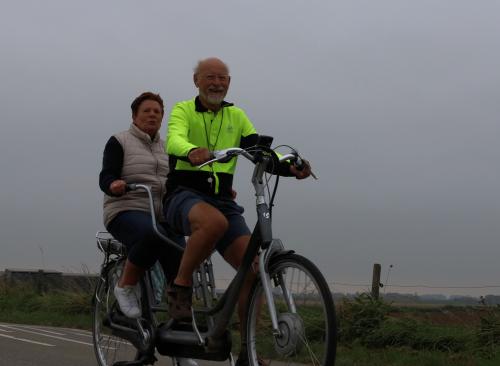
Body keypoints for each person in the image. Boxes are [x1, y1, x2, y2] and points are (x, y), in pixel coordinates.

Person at [163, 58, 311, 365]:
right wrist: (190, 150)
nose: (217, 83)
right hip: (184, 194)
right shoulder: (183, 110)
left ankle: (248, 351)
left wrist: (289, 167)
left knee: (255, 271)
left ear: (229, 82)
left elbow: (259, 152)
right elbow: (174, 139)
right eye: (210, 77)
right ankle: (180, 286)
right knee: (213, 223)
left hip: (222, 201)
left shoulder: (237, 115)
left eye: (222, 78)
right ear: (196, 81)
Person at [99, 92, 198, 366]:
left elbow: (181, 181)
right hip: (126, 208)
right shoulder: (119, 141)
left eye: (157, 111)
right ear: (134, 116)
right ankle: (124, 286)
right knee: (150, 234)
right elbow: (106, 175)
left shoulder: (168, 148)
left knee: (182, 267)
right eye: (147, 111)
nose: (153, 115)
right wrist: (113, 185)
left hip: (162, 216)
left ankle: (180, 348)